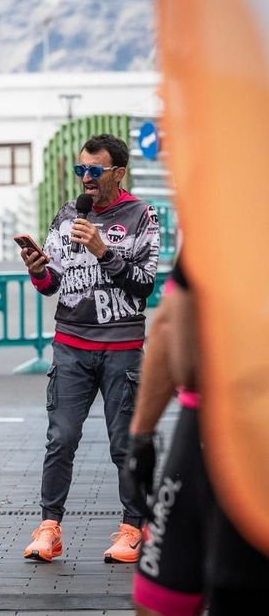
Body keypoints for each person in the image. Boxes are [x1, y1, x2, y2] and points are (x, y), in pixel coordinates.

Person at [18, 133, 160, 563]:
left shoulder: (141, 216)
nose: (86, 179)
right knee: (61, 438)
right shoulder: (66, 216)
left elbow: (143, 286)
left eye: (95, 171)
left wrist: (102, 252)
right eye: (81, 170)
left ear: (118, 172)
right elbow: (53, 286)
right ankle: (49, 528)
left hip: (121, 348)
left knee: (124, 444)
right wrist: (37, 270)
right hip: (71, 346)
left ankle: (133, 529)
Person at [125, 254, 269, 615]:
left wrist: (141, 437)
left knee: (161, 601)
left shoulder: (222, 210)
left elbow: (173, 325)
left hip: (215, 428)